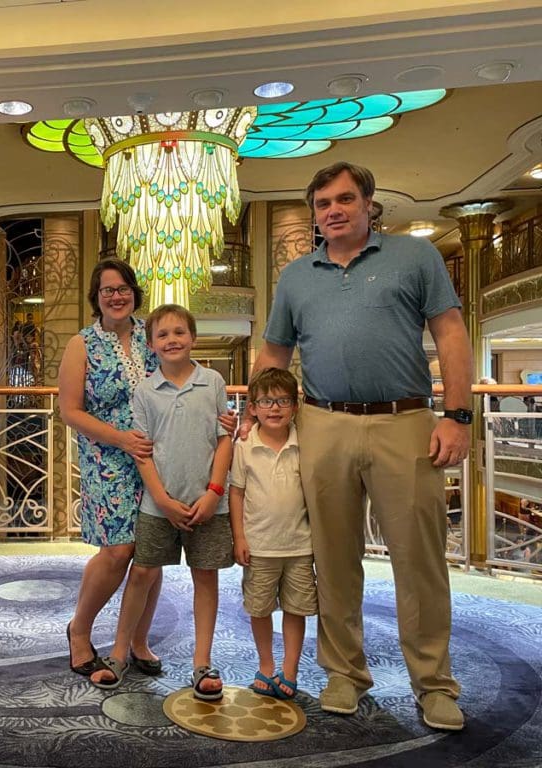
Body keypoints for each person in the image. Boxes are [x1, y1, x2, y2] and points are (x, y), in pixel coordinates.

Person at [246, 161, 472, 731]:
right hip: (323, 425)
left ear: (369, 203)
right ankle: (344, 672)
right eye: (323, 205)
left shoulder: (415, 258)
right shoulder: (297, 276)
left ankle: (434, 684)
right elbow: (274, 354)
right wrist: (255, 416)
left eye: (344, 200)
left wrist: (459, 416)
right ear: (315, 214)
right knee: (332, 558)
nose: (334, 211)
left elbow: (449, 331)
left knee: (418, 561)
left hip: (406, 421)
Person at [88, 304, 233, 698]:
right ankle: (119, 652)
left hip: (209, 504)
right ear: (151, 345)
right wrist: (163, 500)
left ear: (193, 338)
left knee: (206, 578)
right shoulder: (145, 391)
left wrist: (214, 491)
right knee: (141, 574)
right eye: (163, 335)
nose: (172, 340)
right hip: (157, 505)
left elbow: (224, 440)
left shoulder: (214, 382)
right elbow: (143, 452)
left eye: (179, 333)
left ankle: (202, 662)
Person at [58, 258, 159, 677]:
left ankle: (138, 638)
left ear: (134, 293)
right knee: (119, 550)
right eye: (107, 290)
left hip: (155, 457)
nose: (116, 296)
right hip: (107, 458)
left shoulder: (151, 338)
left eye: (123, 289)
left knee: (153, 551)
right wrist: (120, 438)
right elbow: (70, 411)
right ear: (96, 298)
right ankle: (79, 630)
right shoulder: (82, 344)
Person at [229, 367, 316, 700]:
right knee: (259, 608)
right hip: (260, 545)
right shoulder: (245, 445)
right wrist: (239, 537)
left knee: (296, 609)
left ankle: (290, 670)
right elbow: (236, 492)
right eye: (266, 401)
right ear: (252, 407)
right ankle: (266, 665)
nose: (275, 408)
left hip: (299, 546)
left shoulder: (303, 442)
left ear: (295, 406)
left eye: (283, 401)